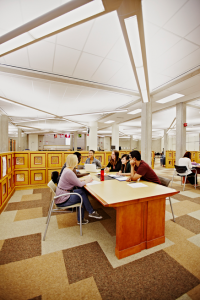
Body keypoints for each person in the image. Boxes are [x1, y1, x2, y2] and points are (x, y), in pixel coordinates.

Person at [56, 154, 102, 224]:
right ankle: (90, 212)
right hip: (63, 199)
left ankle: (85, 216)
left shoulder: (66, 169)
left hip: (62, 195)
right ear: (74, 161)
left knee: (81, 192)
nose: (78, 161)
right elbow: (80, 184)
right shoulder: (69, 172)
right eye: (77, 160)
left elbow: (75, 180)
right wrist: (87, 180)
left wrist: (85, 179)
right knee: (82, 196)